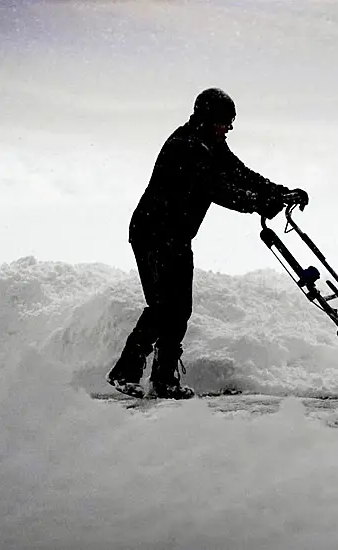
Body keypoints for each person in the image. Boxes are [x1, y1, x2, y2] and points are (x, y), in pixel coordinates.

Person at [106, 87, 308, 399]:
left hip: (173, 235)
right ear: (207, 118)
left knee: (175, 308)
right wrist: (259, 203)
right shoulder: (186, 147)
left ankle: (159, 380)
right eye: (224, 121)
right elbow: (218, 189)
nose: (228, 127)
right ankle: (131, 373)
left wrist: (280, 192)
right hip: (154, 233)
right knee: (166, 306)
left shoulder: (210, 144)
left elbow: (239, 173)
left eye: (231, 121)